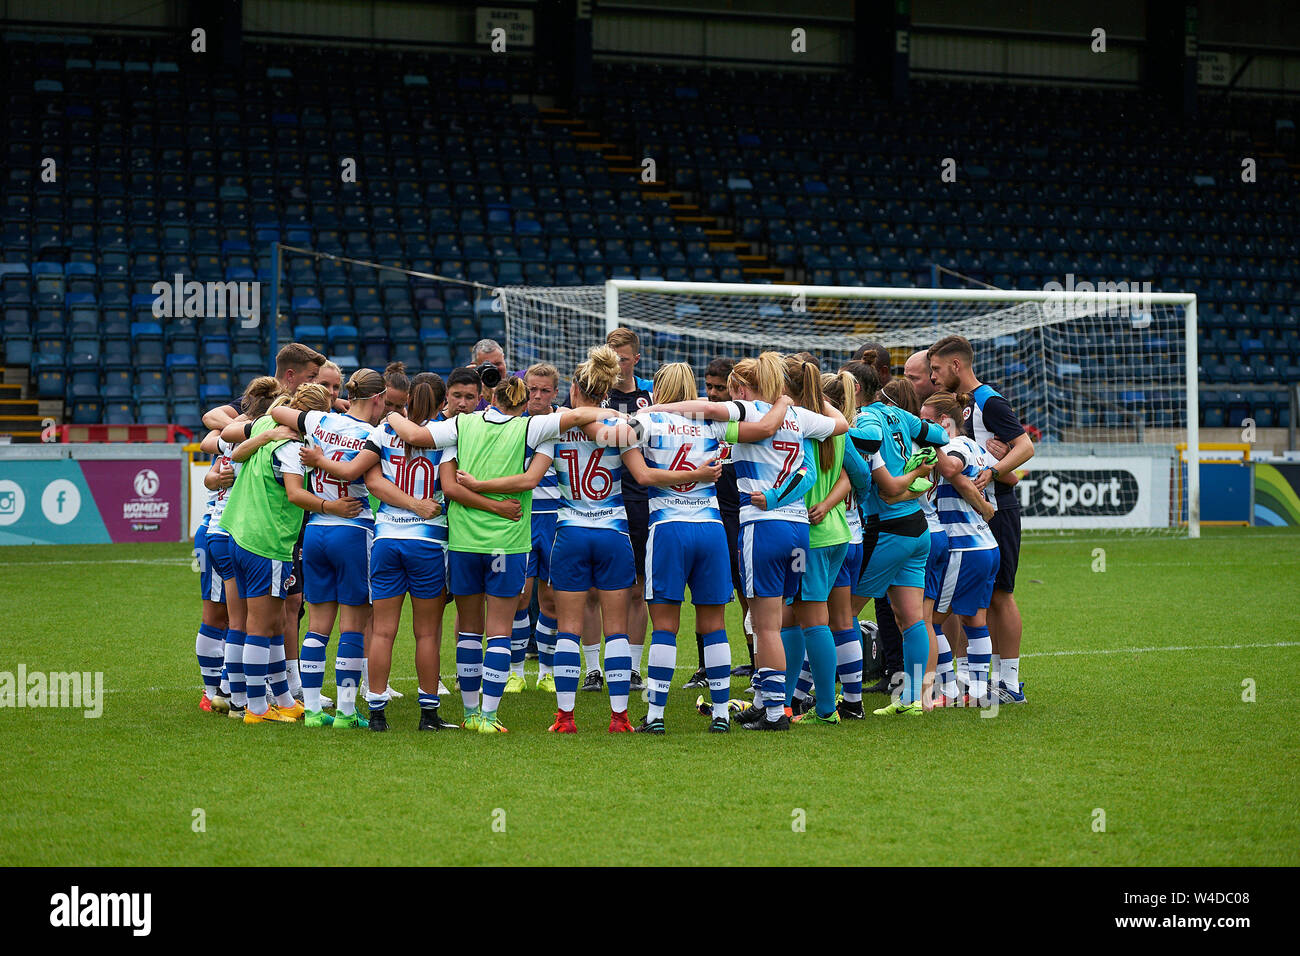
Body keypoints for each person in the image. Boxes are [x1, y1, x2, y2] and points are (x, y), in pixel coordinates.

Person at [385, 375, 614, 733]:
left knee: (470, 633)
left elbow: (414, 437)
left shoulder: (460, 424)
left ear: (488, 399)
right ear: (524, 404)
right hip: (506, 543)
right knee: (500, 633)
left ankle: (471, 712)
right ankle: (489, 717)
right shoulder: (533, 428)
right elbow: (577, 420)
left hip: (464, 544)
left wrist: (392, 412)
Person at [649, 351, 848, 731]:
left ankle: (775, 712)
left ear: (742, 386)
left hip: (762, 526)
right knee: (790, 617)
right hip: (798, 531)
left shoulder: (748, 410)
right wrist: (804, 394)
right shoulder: (797, 415)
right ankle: (766, 701)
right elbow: (840, 423)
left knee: (766, 624)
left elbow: (703, 408)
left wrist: (662, 407)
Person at [259, 368, 391, 728]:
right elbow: (352, 474)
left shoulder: (318, 420)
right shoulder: (375, 434)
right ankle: (347, 712)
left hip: (316, 530)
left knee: (317, 625)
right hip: (353, 529)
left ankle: (314, 710)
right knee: (353, 625)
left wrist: (322, 436)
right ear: (378, 399)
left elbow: (276, 412)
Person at [217, 382, 333, 724]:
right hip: (266, 541)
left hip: (239, 532)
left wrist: (265, 438)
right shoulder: (293, 446)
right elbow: (296, 495)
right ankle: (255, 708)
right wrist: (334, 507)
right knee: (261, 626)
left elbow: (232, 451)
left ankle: (281, 698)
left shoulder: (267, 424)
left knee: (274, 622)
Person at [929, 335, 1035, 703]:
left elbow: (1026, 446)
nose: (934, 377)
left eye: (937, 369)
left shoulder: (989, 400)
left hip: (999, 508)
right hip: (979, 509)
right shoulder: (969, 406)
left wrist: (995, 469)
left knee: (1002, 596)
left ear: (957, 365)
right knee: (982, 601)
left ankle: (1010, 683)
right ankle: (984, 682)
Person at [852, 377, 949, 716]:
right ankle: (915, 700)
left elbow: (888, 489)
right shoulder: (902, 417)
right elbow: (942, 436)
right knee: (911, 619)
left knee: (842, 614)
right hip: (917, 529)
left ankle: (840, 696)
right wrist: (922, 452)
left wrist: (905, 479)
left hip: (888, 530)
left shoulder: (866, 420)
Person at [200, 377, 290, 716]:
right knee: (247, 622)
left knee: (248, 620)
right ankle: (239, 698)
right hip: (239, 532)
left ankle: (236, 691)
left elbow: (214, 437)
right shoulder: (260, 437)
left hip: (221, 531)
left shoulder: (234, 433)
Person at [921, 390, 1001, 706]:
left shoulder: (956, 445)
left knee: (933, 621)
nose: (922, 428)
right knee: (975, 620)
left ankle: (949, 691)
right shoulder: (978, 448)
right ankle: (979, 695)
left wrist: (930, 440)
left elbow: (952, 469)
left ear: (945, 422)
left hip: (963, 547)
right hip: (985, 545)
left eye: (927, 422)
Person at [589, 327, 655, 691]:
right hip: (600, 500)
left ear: (636, 359)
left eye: (624, 360)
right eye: (612, 360)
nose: (617, 367)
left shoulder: (652, 396)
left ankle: (631, 667)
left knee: (637, 588)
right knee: (595, 589)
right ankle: (593, 668)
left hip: (642, 499)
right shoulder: (594, 396)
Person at [511, 363, 562, 694]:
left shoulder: (565, 423)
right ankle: (516, 671)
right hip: (521, 517)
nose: (538, 396)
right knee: (519, 596)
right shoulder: (513, 422)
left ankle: (546, 671)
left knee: (552, 600)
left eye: (545, 390)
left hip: (556, 518)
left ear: (556, 393)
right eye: (532, 389)